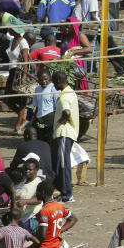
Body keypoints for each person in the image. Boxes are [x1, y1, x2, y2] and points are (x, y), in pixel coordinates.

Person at [34, 181, 77, 248]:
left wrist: (32, 245)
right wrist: (60, 230)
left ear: (43, 193)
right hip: (57, 247)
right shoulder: (59, 206)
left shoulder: (44, 211)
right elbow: (73, 219)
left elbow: (43, 235)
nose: (36, 193)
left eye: (37, 191)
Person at [52, 71, 79, 202]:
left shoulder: (64, 96)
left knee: (63, 164)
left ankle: (67, 194)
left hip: (64, 133)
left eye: (53, 82)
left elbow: (67, 111)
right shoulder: (70, 92)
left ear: (57, 81)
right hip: (67, 133)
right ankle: (63, 191)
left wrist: (62, 119)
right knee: (62, 163)